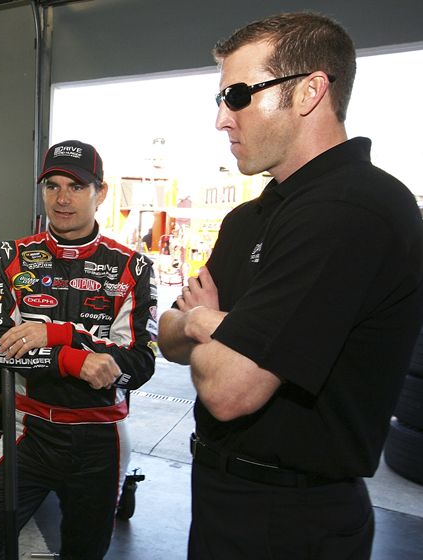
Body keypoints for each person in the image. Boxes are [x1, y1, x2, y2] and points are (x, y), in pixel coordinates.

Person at [157, 12, 423, 560]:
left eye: (236, 95)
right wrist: (202, 328)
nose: (222, 120)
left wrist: (204, 320)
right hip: (217, 499)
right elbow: (166, 337)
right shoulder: (249, 220)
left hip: (294, 520)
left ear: (309, 91)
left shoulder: (352, 209)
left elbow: (230, 391)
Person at [0, 140, 158, 560]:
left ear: (101, 192)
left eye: (76, 187)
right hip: (30, 432)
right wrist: (73, 358)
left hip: (102, 440)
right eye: (53, 185)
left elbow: (139, 364)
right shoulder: (10, 257)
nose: (62, 199)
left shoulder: (133, 268)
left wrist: (56, 334)